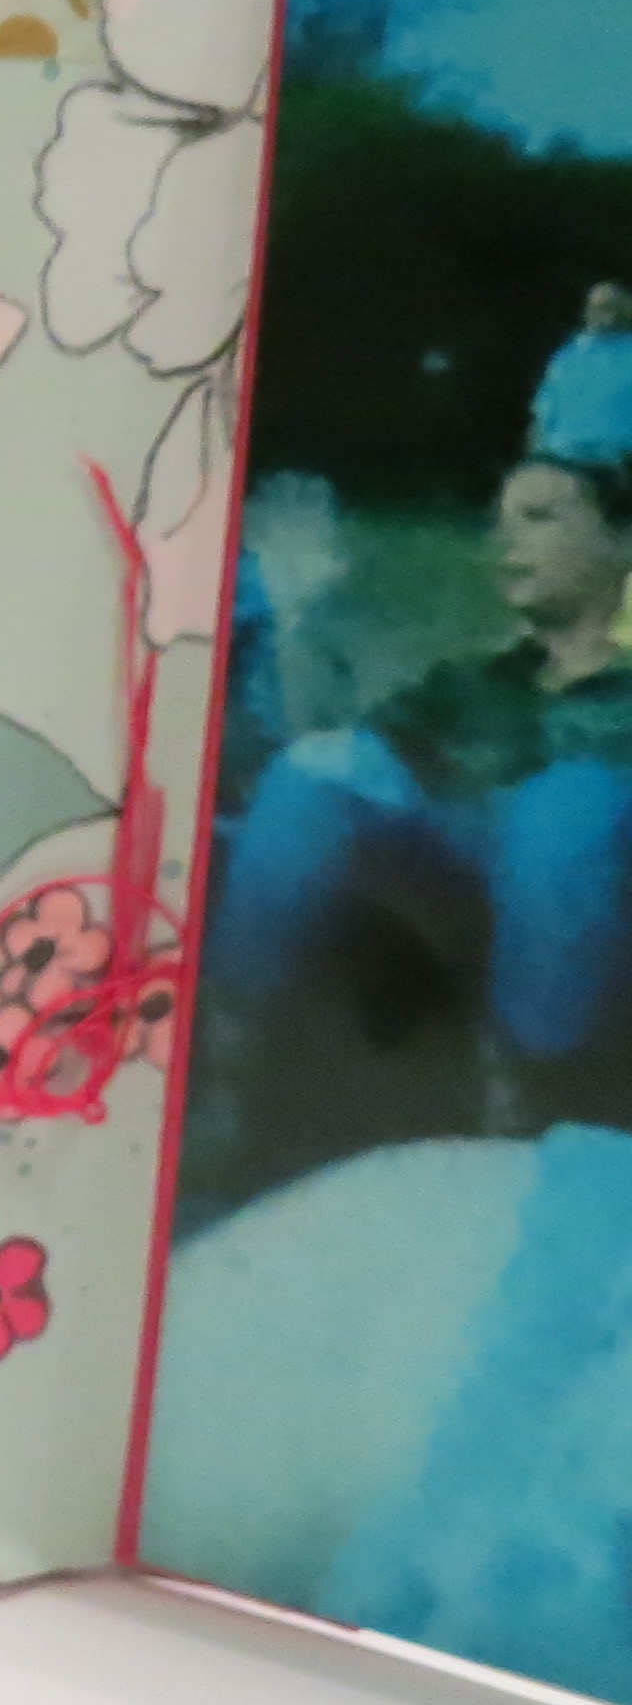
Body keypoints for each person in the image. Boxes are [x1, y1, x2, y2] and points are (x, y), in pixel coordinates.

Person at [211, 441, 632, 1178]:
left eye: (540, 518)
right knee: (322, 769)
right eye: (500, 522)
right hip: (461, 878)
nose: (507, 542)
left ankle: (529, 1096)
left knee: (566, 809)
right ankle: (226, 1050)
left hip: (590, 891)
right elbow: (343, 755)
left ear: (621, 540)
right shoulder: (478, 682)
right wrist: (302, 618)